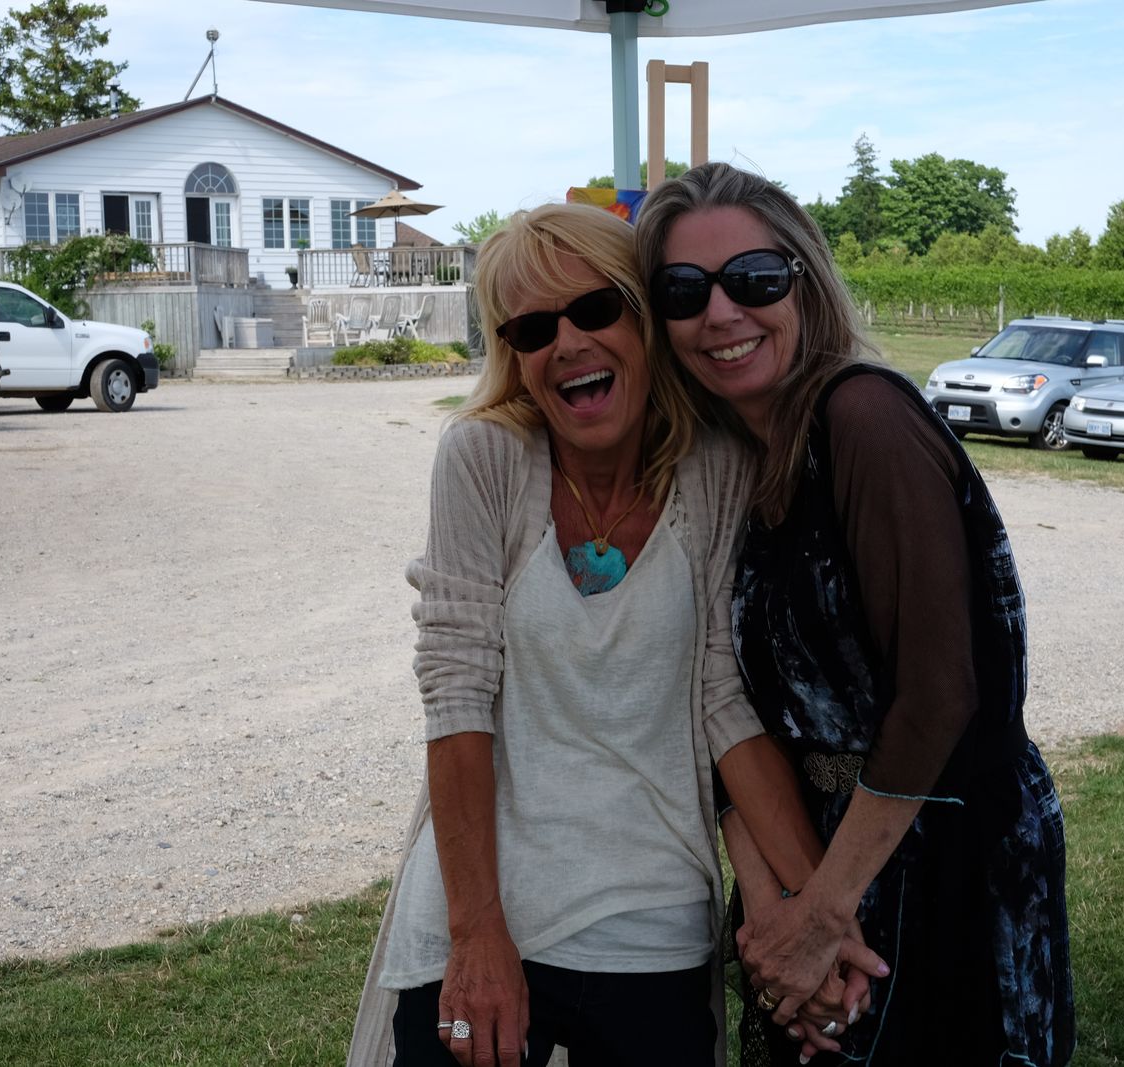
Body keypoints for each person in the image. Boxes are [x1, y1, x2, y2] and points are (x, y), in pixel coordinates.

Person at [345, 202, 871, 1067]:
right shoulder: (484, 458)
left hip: (650, 926)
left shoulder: (715, 469)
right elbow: (456, 694)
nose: (568, 342)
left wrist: (823, 919)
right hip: (480, 923)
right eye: (533, 327)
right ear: (513, 355)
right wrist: (477, 934)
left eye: (596, 308)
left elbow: (722, 702)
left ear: (645, 320)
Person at [635, 162, 1076, 1066]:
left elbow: (939, 695)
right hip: (809, 854)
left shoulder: (865, 417)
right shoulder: (734, 461)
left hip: (947, 856)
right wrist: (774, 909)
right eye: (684, 291)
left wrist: (821, 917)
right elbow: (721, 700)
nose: (721, 313)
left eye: (754, 279)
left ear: (803, 281)